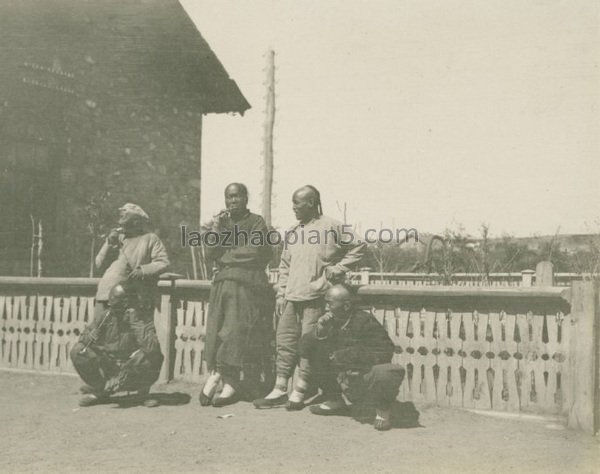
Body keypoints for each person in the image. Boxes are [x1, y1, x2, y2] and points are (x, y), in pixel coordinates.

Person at [253, 185, 366, 410]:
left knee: (308, 346)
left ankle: (301, 389)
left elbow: (359, 246)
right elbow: (284, 264)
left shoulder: (332, 225)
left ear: (311, 202)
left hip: (317, 297)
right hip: (291, 299)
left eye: (298, 203)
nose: (293, 207)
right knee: (284, 343)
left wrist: (340, 267)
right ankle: (279, 389)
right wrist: (281, 293)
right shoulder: (294, 230)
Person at [200, 183, 275, 407]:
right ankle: (221, 377)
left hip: (246, 285)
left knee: (235, 331)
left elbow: (253, 253)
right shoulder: (222, 223)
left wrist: (224, 258)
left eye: (237, 196)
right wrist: (215, 229)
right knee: (217, 331)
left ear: (245, 198)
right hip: (222, 284)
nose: (232, 201)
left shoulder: (257, 222)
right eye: (228, 197)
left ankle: (227, 382)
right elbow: (209, 254)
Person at [299, 284, 405, 431]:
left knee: (387, 372)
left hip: (363, 378)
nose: (326, 308)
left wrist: (348, 357)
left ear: (347, 305)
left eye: (330, 303)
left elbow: (385, 350)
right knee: (315, 350)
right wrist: (319, 331)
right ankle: (335, 399)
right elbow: (303, 349)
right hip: (343, 378)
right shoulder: (328, 322)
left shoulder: (365, 321)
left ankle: (382, 410)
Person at [70, 283, 165, 407]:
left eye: (115, 304)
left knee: (151, 356)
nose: (111, 306)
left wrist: (135, 322)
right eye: (110, 303)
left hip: (132, 368)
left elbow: (152, 348)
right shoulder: (106, 316)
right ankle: (101, 391)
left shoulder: (142, 317)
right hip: (110, 365)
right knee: (78, 351)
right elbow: (84, 338)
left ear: (126, 303)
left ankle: (142, 394)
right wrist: (90, 336)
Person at [94, 203, 170, 322]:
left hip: (126, 297)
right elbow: (98, 264)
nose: (121, 216)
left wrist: (143, 270)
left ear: (136, 221)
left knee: (121, 336)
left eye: (126, 214)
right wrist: (109, 244)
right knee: (97, 333)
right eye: (121, 215)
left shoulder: (150, 238)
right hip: (104, 294)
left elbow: (163, 262)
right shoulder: (116, 238)